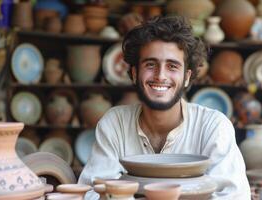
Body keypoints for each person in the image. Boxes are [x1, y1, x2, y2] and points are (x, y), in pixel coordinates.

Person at [78, 15, 250, 199]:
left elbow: (235, 195)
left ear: (186, 77)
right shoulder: (115, 123)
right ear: (135, 73)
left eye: (172, 66)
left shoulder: (214, 126)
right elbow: (91, 193)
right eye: (150, 64)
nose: (160, 76)